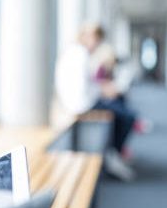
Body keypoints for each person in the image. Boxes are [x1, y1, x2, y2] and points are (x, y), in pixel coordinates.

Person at [55, 23, 136, 181]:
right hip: (82, 105)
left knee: (119, 106)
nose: (97, 44)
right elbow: (83, 90)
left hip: (77, 102)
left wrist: (102, 90)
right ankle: (114, 154)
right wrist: (104, 90)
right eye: (96, 40)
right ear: (86, 36)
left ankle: (113, 151)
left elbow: (85, 84)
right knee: (127, 116)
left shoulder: (74, 52)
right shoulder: (81, 54)